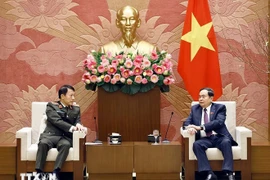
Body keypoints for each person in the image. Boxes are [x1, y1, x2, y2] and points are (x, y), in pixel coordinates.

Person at [183, 87, 237, 180]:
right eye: (199, 96)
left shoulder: (220, 108)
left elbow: (218, 122)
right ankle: (209, 173)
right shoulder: (195, 109)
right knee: (196, 144)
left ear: (211, 98)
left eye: (203, 96)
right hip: (205, 139)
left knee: (226, 142)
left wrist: (201, 127)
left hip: (219, 136)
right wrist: (190, 128)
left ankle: (229, 173)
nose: (200, 99)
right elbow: (186, 122)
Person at [35, 85, 87, 180]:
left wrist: (79, 124)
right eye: (71, 95)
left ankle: (56, 171)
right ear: (62, 96)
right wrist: (72, 127)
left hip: (64, 137)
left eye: (74, 95)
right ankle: (39, 172)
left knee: (66, 145)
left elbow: (77, 120)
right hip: (50, 135)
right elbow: (56, 121)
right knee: (43, 143)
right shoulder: (51, 106)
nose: (73, 98)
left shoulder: (76, 109)